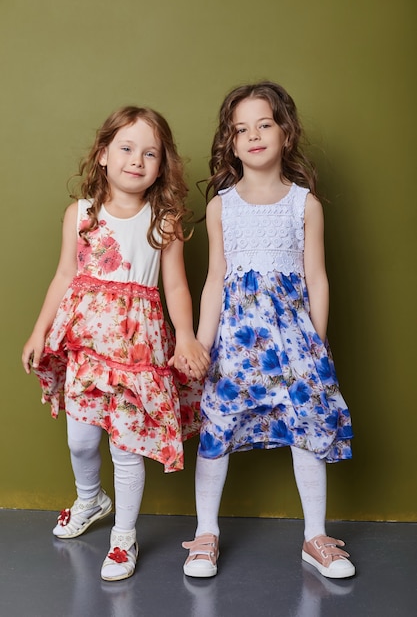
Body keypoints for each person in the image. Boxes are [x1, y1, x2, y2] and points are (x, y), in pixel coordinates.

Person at [22, 105, 210, 581]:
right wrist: (40, 329)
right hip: (87, 347)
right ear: (103, 154)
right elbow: (66, 273)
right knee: (81, 441)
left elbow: (177, 287)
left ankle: (123, 536)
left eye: (151, 153)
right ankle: (91, 499)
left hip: (137, 353)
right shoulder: (80, 214)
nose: (137, 160)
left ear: (162, 165)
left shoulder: (163, 220)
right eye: (126, 148)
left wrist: (184, 335)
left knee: (127, 448)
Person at [180, 82, 355, 580]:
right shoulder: (221, 206)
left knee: (307, 429)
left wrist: (316, 344)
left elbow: (317, 277)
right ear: (231, 143)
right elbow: (215, 279)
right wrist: (202, 344)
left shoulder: (305, 205)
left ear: (285, 132)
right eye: (241, 129)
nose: (253, 135)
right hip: (235, 344)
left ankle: (315, 536)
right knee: (217, 429)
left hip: (294, 344)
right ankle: (206, 532)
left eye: (264, 124)